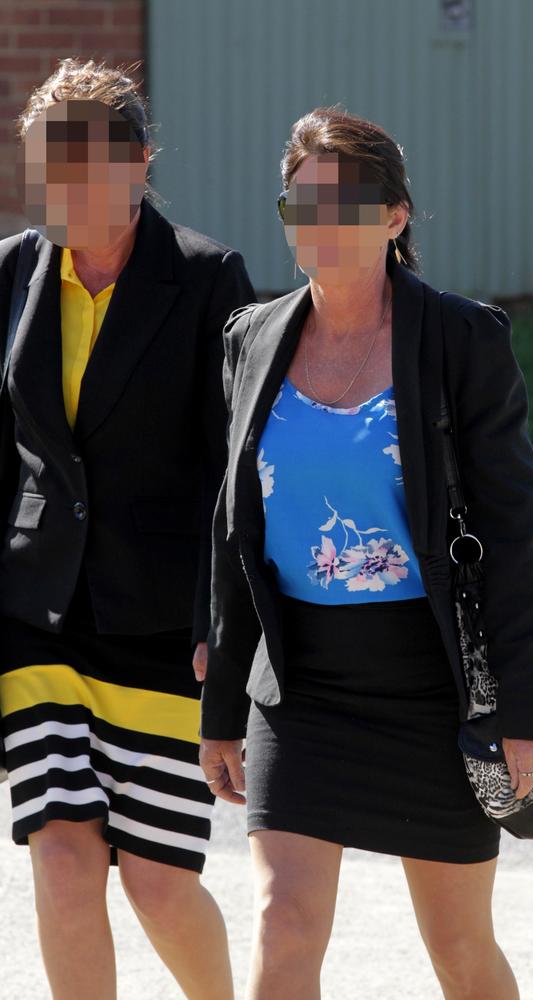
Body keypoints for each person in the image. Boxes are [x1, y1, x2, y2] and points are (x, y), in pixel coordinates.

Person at [200, 106, 533, 1000]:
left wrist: (528, 700)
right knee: (281, 926)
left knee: (459, 950)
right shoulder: (251, 339)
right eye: (302, 204)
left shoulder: (459, 341)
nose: (319, 224)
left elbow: (513, 529)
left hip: (430, 686)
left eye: (342, 202)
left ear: (395, 216)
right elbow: (236, 527)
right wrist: (220, 700)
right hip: (301, 689)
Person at [0, 59, 254, 1000]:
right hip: (37, 616)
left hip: (160, 627)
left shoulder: (204, 278)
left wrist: (219, 625)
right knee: (61, 858)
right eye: (43, 167)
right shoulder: (14, 270)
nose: (58, 190)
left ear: (139, 162)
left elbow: (234, 472)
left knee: (155, 877)